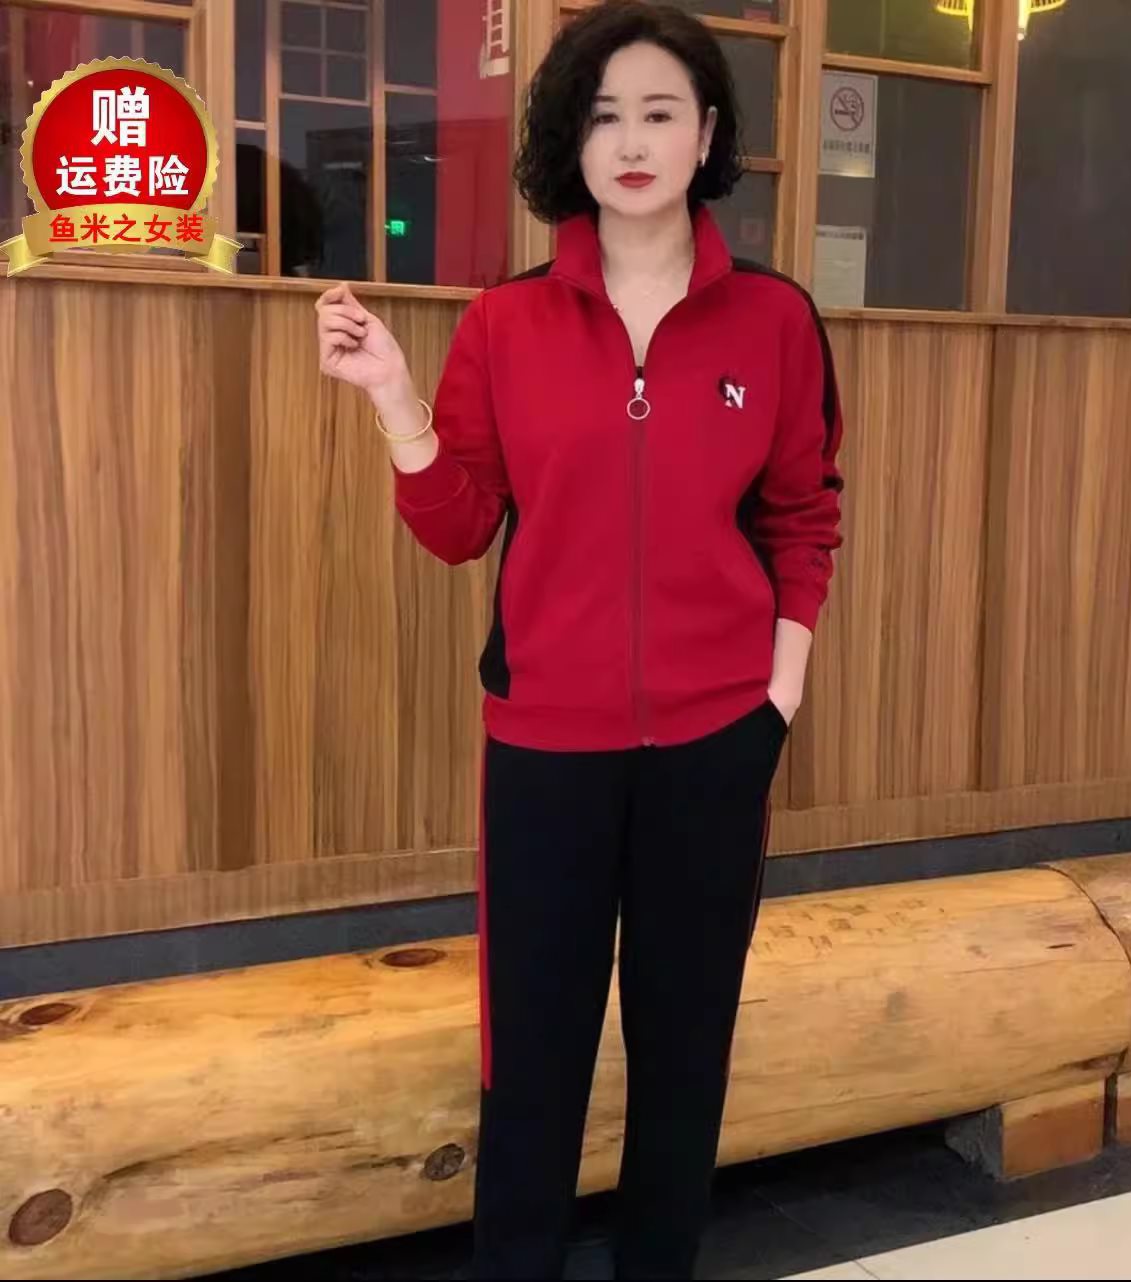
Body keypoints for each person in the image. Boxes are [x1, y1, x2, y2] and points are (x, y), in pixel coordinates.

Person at [314, 3, 843, 1276]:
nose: (634, 142)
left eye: (661, 112)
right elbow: (459, 528)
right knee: (533, 1055)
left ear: (707, 134)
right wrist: (396, 399)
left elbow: (804, 517)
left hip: (717, 743)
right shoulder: (506, 324)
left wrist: (775, 695)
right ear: (572, 139)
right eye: (605, 116)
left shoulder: (773, 320)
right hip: (545, 746)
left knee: (684, 1047)